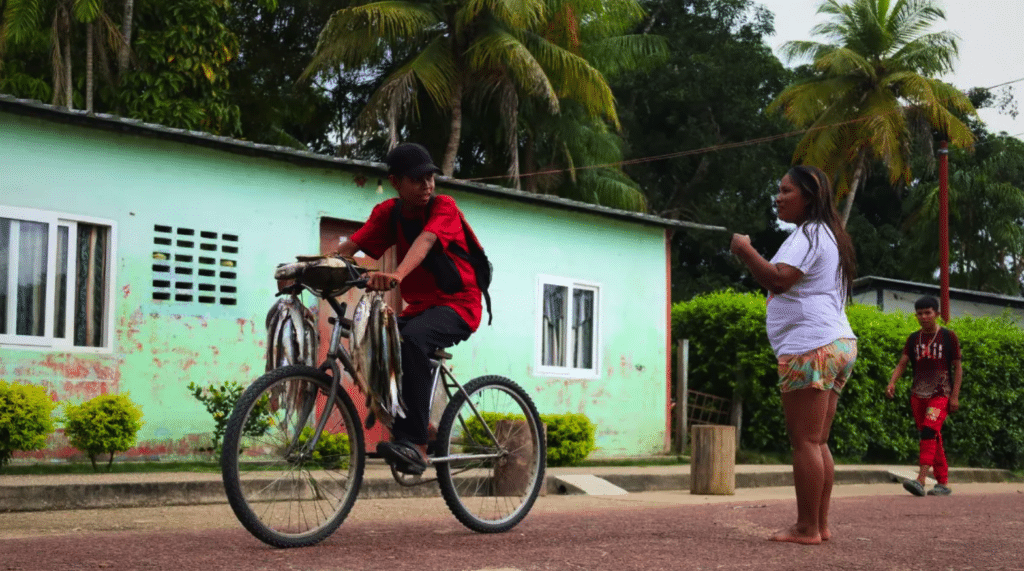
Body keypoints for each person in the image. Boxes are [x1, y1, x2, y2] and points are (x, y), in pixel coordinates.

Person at [332, 142, 483, 475]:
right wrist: (315, 268)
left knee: (411, 339)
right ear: (396, 182)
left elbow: (426, 241)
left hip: (460, 304)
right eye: (417, 179)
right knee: (380, 341)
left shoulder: (444, 206)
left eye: (430, 177)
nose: (427, 185)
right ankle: (424, 424)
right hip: (421, 308)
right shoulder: (390, 213)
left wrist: (397, 275)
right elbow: (353, 246)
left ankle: (415, 444)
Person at [730, 165, 858, 545]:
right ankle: (819, 524)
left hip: (811, 346)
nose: (778, 197)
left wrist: (744, 249)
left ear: (809, 196)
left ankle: (806, 528)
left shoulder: (809, 234)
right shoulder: (828, 234)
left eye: (787, 191)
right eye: (779, 190)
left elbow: (778, 280)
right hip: (836, 343)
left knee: (804, 441)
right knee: (817, 441)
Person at [886, 295, 962, 497]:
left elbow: (958, 367)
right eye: (920, 313)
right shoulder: (913, 338)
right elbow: (902, 363)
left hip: (941, 394)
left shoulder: (948, 336)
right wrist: (892, 382)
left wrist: (954, 396)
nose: (924, 317)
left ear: (936, 314)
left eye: (928, 313)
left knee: (929, 431)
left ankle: (920, 480)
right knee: (931, 435)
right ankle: (943, 482)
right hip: (918, 395)